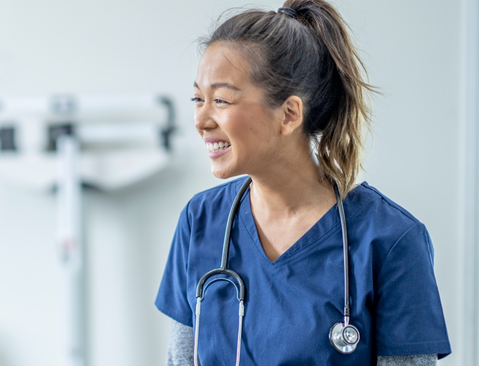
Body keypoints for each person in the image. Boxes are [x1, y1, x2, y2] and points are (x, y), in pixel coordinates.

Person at [155, 1, 451, 365]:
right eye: (198, 98)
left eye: (221, 99)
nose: (201, 119)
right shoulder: (200, 221)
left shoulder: (391, 241)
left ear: (289, 114)